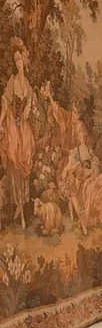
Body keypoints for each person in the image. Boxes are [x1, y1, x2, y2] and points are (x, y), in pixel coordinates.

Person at [0, 38, 35, 229]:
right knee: (15, 167)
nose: (18, 63)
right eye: (15, 60)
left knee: (24, 168)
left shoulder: (27, 84)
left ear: (24, 60)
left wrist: (28, 109)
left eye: (20, 59)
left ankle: (22, 206)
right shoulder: (12, 82)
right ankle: (18, 209)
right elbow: (5, 103)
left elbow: (29, 104)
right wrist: (0, 123)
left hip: (24, 128)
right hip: (13, 126)